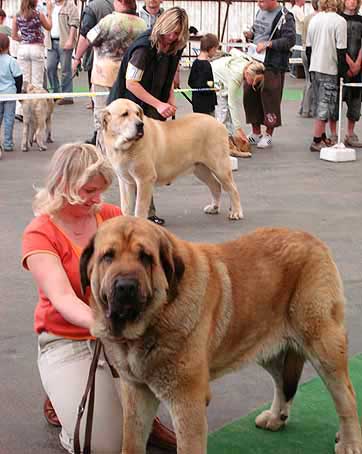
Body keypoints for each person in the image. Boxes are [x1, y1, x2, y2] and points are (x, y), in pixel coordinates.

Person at [21, 142, 177, 453]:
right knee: (105, 446)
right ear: (63, 184)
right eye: (89, 190)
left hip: (119, 332)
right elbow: (63, 299)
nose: (96, 199)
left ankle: (142, 417)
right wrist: (106, 326)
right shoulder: (39, 233)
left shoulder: (111, 215)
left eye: (101, 190)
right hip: (68, 340)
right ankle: (67, 412)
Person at [108, 6, 189, 226]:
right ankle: (134, 216)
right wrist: (158, 104)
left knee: (144, 167)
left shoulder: (175, 45)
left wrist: (170, 100)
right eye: (170, 32)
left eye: (177, 34)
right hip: (128, 107)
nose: (172, 37)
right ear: (162, 26)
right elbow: (131, 83)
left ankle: (142, 215)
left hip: (153, 107)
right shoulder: (143, 48)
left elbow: (171, 74)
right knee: (127, 167)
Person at [83, 0, 146, 143]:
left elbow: (90, 38)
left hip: (104, 75)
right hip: (128, 75)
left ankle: (102, 147)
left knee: (102, 115)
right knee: (126, 115)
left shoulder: (108, 21)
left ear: (121, 2)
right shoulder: (141, 24)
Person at [243, 0, 296, 149]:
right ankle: (255, 132)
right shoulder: (260, 11)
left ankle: (268, 134)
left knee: (270, 97)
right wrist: (250, 34)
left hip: (273, 64)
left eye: (262, 0)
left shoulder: (285, 16)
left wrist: (269, 44)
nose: (259, 3)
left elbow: (290, 40)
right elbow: (257, 31)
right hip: (254, 61)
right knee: (249, 94)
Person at [306, 0, 348, 151]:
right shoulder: (340, 21)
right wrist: (343, 74)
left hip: (314, 67)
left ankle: (322, 137)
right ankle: (317, 140)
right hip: (329, 68)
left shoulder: (314, 19)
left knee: (318, 103)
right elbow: (341, 50)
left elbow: (308, 48)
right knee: (325, 105)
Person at [72, 0, 115, 144]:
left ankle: (100, 138)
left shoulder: (94, 7)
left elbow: (85, 35)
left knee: (100, 104)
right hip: (120, 66)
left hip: (99, 64)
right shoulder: (117, 4)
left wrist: (76, 57)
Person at [211, 48, 265, 155]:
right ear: (248, 74)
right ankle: (220, 147)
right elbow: (232, 104)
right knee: (222, 112)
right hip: (216, 77)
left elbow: (234, 50)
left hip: (223, 75)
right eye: (254, 80)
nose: (253, 84)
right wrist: (239, 129)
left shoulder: (249, 62)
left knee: (228, 115)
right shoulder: (237, 76)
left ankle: (228, 142)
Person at [45, 0, 79, 105]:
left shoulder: (70, 5)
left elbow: (74, 23)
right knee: (50, 67)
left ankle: (67, 95)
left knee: (65, 69)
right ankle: (56, 93)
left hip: (64, 41)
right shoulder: (51, 6)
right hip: (51, 41)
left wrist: (70, 39)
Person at [12, 0, 52, 88]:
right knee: (37, 82)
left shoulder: (17, 16)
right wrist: (49, 13)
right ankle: (35, 101)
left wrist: (24, 38)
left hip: (23, 48)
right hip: (37, 47)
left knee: (24, 81)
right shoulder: (39, 14)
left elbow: (14, 36)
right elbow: (49, 27)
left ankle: (25, 100)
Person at [339, 0, 362, 147]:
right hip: (341, 66)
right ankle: (334, 134)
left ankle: (350, 133)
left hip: (359, 68)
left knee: (355, 101)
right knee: (336, 101)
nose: (352, 2)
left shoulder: (361, 20)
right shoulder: (338, 19)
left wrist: (358, 63)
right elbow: (337, 44)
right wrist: (348, 63)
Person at [0, 33, 23, 155]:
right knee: (9, 119)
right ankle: (8, 143)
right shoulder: (11, 61)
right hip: (10, 94)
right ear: (8, 46)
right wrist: (18, 92)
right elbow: (18, 77)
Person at [188, 33, 219, 115]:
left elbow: (190, 82)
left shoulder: (195, 62)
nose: (215, 52)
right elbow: (205, 84)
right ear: (211, 48)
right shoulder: (206, 65)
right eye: (215, 50)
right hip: (207, 104)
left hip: (196, 103)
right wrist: (213, 86)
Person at [299, 0, 318, 118]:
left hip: (303, 50)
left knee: (307, 81)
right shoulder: (317, 19)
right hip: (312, 51)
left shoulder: (307, 18)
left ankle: (303, 108)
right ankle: (307, 110)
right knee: (312, 81)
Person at [289, 0, 305, 78]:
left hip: (297, 32)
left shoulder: (295, 9)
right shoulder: (297, 10)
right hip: (298, 33)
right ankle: (293, 70)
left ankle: (293, 70)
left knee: (296, 51)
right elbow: (303, 22)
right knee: (297, 52)